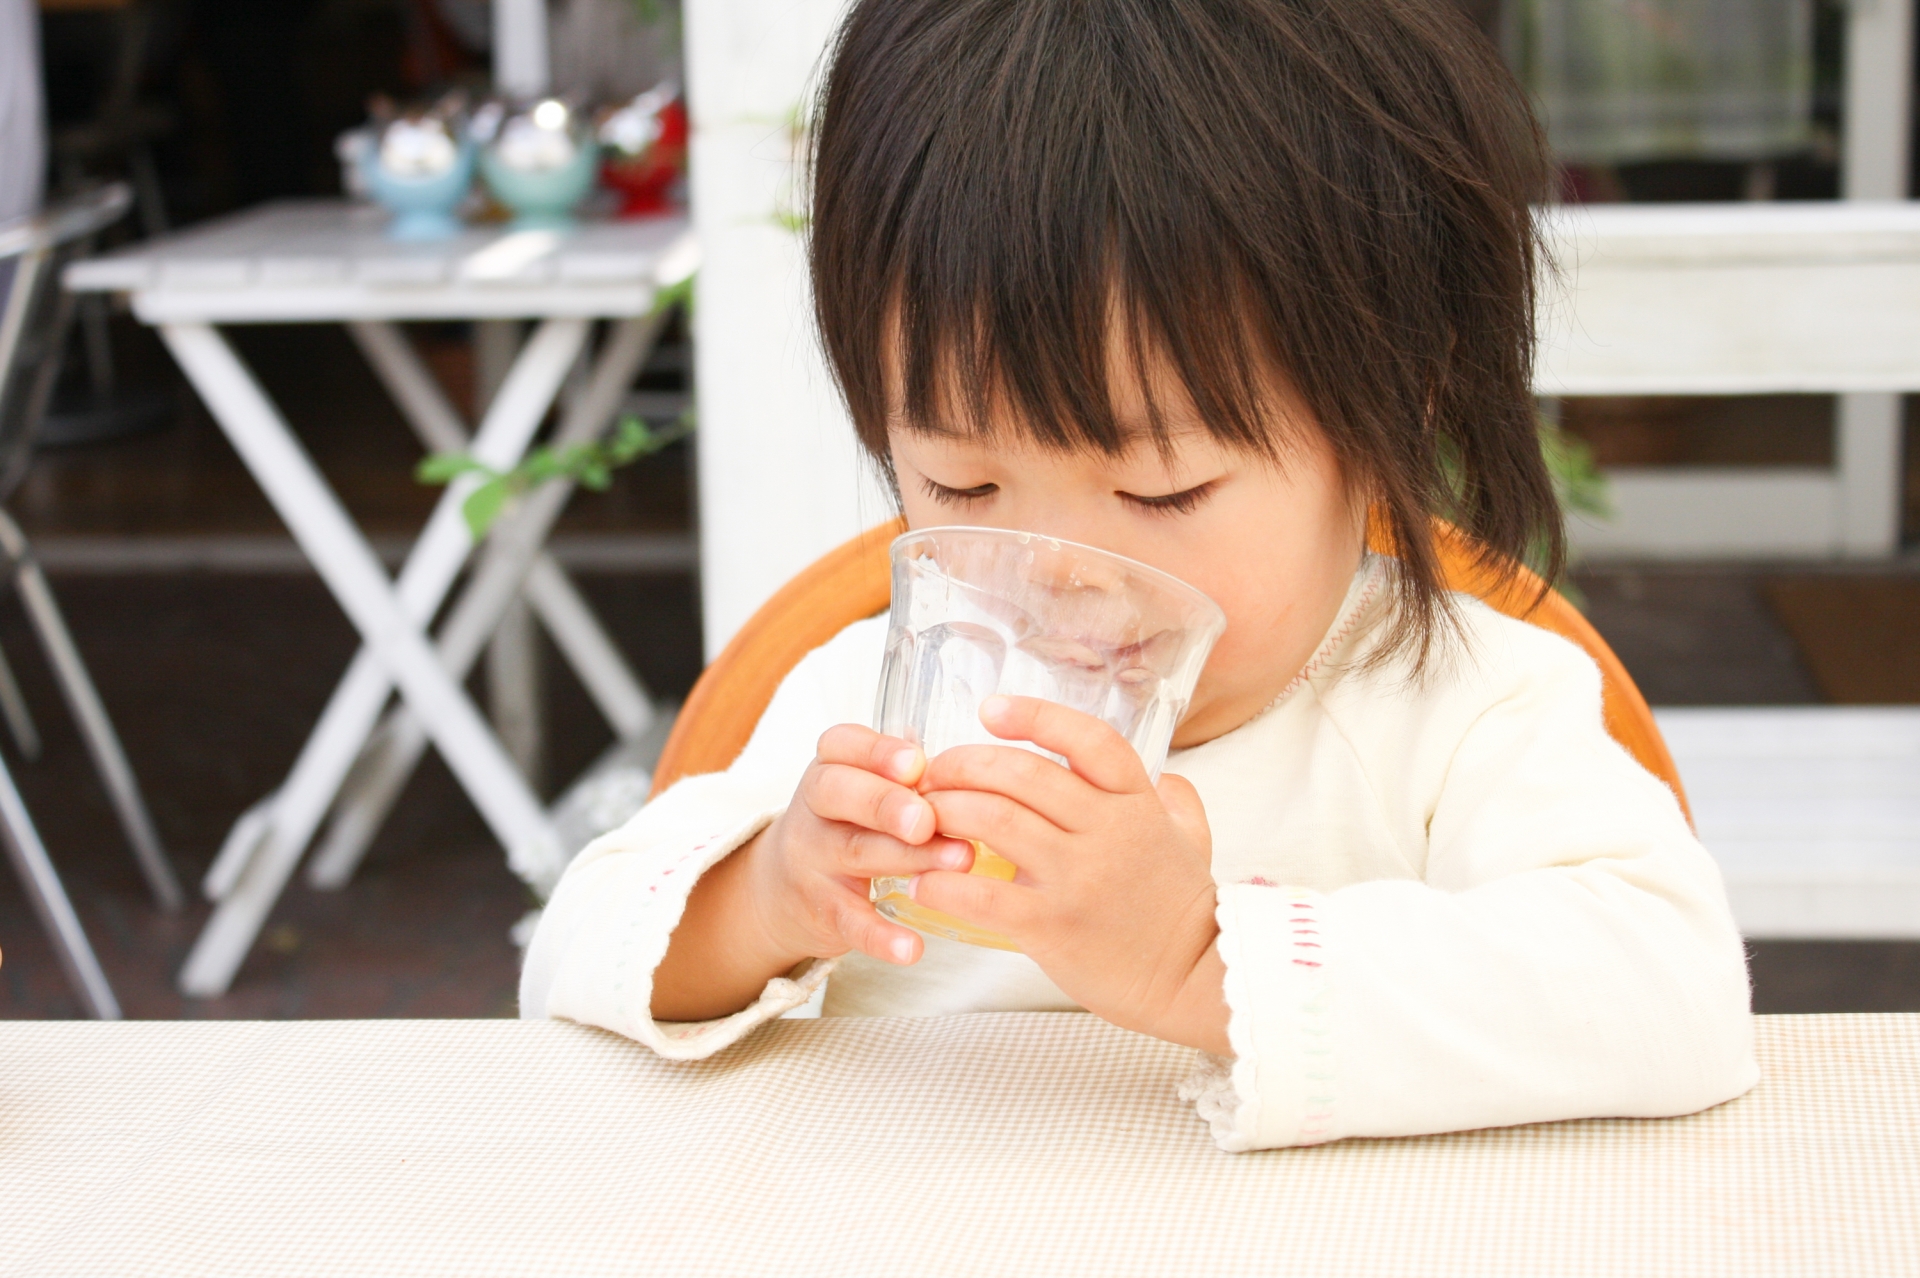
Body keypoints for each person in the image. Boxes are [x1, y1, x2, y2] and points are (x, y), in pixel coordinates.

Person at [521, 0, 1756, 1151]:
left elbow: (1676, 994)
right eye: (962, 485)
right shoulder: (870, 702)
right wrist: (770, 901)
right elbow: (568, 953)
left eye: (1163, 494)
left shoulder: (1462, 707)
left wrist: (1199, 958)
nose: (1064, 584)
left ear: (1388, 417)